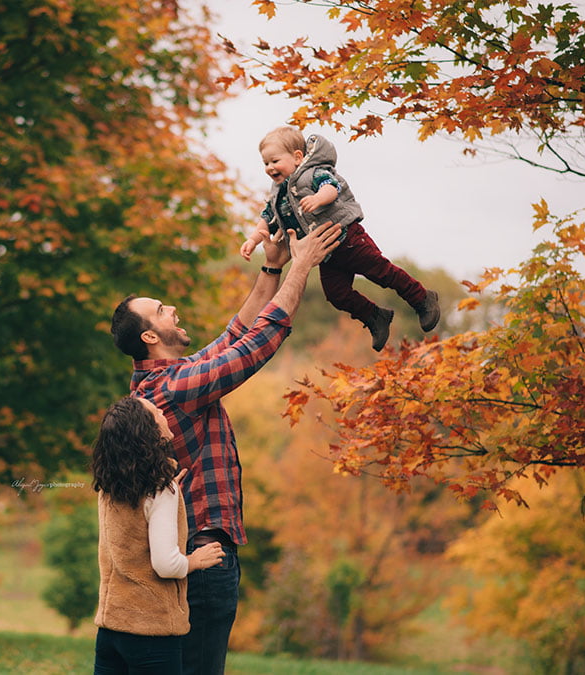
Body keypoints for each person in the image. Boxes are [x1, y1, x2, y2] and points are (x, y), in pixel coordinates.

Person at [110, 220, 342, 675]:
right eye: (161, 310)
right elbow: (257, 344)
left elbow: (233, 335)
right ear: (150, 337)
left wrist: (271, 269)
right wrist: (303, 265)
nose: (172, 308)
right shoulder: (176, 387)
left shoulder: (165, 377)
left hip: (198, 557)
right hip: (203, 559)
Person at [240, 126, 441, 351]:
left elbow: (331, 188)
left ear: (297, 157)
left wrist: (318, 198)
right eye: (265, 163)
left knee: (382, 272)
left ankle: (422, 298)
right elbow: (268, 217)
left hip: (348, 238)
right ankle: (376, 316)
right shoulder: (278, 193)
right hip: (326, 253)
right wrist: (253, 240)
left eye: (274, 161)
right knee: (336, 294)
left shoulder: (312, 173)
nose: (269, 168)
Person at [92, 396, 226, 675]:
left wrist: (167, 498)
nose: (163, 413)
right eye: (156, 412)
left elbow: (130, 533)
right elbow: (165, 565)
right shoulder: (160, 489)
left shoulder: (108, 486)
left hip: (111, 628)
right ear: (147, 430)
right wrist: (194, 561)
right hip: (151, 631)